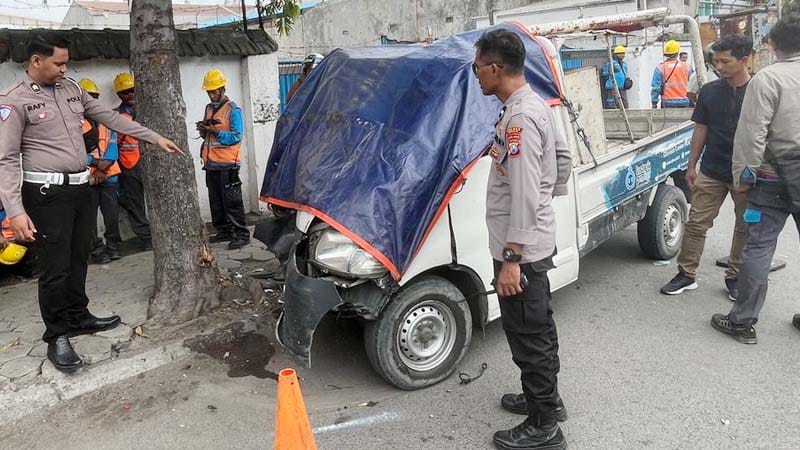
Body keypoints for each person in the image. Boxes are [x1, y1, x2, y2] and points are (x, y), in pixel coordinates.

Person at [0, 35, 181, 372]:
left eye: (66, 63)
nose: (64, 69)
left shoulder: (71, 89)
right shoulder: (14, 100)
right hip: (45, 195)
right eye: (58, 63)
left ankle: (78, 316)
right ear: (36, 61)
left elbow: (111, 118)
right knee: (55, 267)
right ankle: (57, 335)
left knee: (79, 257)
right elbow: (6, 159)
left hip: (81, 189)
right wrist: (15, 211)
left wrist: (154, 138)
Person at [473, 29, 572, 450]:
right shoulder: (533, 105)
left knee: (528, 335)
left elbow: (526, 192)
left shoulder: (519, 119)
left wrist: (512, 258)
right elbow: (562, 159)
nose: (476, 75)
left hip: (520, 251)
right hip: (533, 240)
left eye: (477, 67)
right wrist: (545, 196)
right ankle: (546, 400)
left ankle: (544, 426)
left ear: (495, 68)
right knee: (539, 326)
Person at [711, 14, 800, 343]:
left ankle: (742, 322)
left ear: (773, 43)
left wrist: (744, 178)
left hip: (773, 177)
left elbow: (751, 135)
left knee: (759, 247)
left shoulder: (768, 79)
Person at [660, 35, 754, 301]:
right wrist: (691, 165)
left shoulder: (759, 90)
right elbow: (701, 129)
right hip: (712, 169)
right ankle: (686, 274)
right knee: (696, 223)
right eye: (716, 61)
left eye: (725, 61)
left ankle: (735, 276)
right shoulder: (710, 91)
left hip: (746, 172)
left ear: (744, 60)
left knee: (744, 226)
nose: (719, 67)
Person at [196, 69, 250, 249]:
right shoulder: (209, 108)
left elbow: (236, 136)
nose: (211, 95)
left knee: (232, 202)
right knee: (216, 202)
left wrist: (216, 132)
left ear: (222, 90)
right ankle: (224, 231)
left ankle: (241, 234)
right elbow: (207, 136)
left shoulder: (233, 110)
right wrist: (203, 130)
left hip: (228, 164)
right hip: (211, 164)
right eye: (209, 92)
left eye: (214, 92)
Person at [79, 78, 123, 264]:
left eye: (94, 97)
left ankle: (113, 247)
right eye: (88, 96)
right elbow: (73, 153)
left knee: (112, 217)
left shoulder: (106, 118)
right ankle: (97, 251)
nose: (92, 100)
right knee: (88, 220)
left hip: (109, 176)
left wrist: (104, 165)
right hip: (88, 177)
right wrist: (95, 163)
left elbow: (113, 144)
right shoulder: (74, 123)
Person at [113, 72, 153, 250]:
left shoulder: (148, 111)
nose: (130, 94)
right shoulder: (116, 116)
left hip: (150, 162)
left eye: (132, 90)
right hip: (128, 165)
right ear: (119, 95)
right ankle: (146, 238)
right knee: (135, 203)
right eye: (125, 92)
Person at [651, 40, 691, 108]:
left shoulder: (660, 68)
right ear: (677, 53)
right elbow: (693, 84)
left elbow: (656, 88)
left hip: (667, 102)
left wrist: (654, 102)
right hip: (684, 101)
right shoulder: (687, 66)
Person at [600, 45, 631, 109]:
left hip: (622, 87)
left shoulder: (624, 64)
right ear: (616, 54)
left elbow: (625, 74)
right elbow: (605, 74)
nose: (622, 55)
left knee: (624, 104)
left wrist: (627, 81)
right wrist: (610, 82)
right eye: (620, 53)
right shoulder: (611, 63)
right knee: (613, 104)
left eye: (623, 53)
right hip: (612, 87)